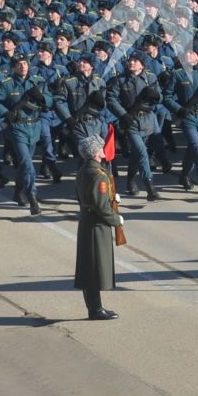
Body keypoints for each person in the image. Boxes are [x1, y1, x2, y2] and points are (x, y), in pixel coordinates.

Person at [74, 136, 124, 320]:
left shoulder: (83, 170)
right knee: (94, 269)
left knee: (90, 268)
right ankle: (95, 310)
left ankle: (95, 307)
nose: (104, 150)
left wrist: (112, 198)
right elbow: (100, 206)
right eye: (101, 148)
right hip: (97, 225)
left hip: (87, 221)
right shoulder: (98, 175)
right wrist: (116, 219)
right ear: (95, 153)